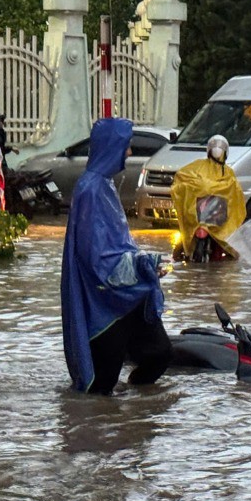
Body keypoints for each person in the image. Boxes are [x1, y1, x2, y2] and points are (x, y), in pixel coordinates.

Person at [62, 118, 172, 394]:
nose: (130, 153)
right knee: (102, 383)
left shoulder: (105, 186)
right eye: (127, 147)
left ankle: (136, 415)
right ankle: (103, 430)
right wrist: (141, 264)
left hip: (128, 291)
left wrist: (146, 264)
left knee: (159, 353)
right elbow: (96, 257)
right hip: (103, 299)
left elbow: (118, 242)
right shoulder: (90, 190)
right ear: (113, 147)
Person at [170, 134, 247, 262]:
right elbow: (237, 194)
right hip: (210, 215)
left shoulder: (200, 167)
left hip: (203, 213)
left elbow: (181, 177)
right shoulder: (226, 172)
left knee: (184, 242)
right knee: (229, 247)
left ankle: (181, 251)